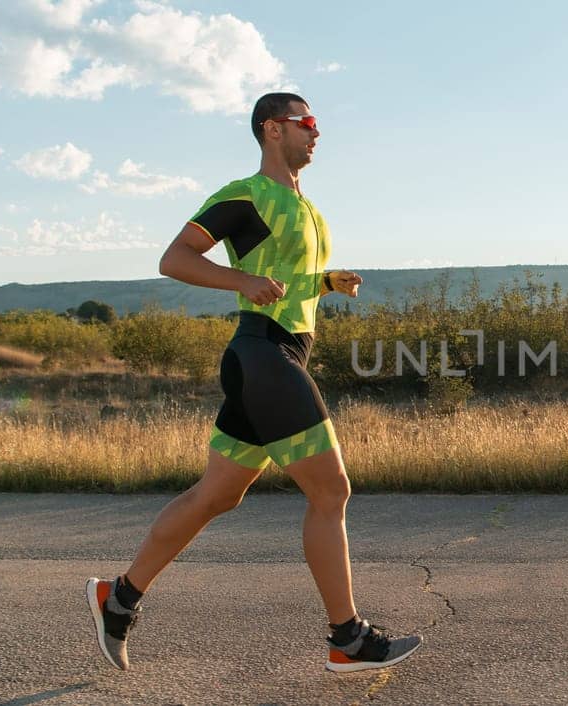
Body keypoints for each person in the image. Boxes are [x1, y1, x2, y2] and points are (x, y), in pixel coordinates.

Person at [84, 92, 422, 674]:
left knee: (217, 495)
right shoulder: (247, 195)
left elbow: (284, 280)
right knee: (331, 490)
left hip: (280, 352)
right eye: (307, 123)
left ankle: (116, 599)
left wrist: (325, 282)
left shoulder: (308, 208)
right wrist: (239, 279)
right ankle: (348, 638)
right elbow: (176, 258)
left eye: (318, 124)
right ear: (272, 129)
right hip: (263, 353)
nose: (317, 133)